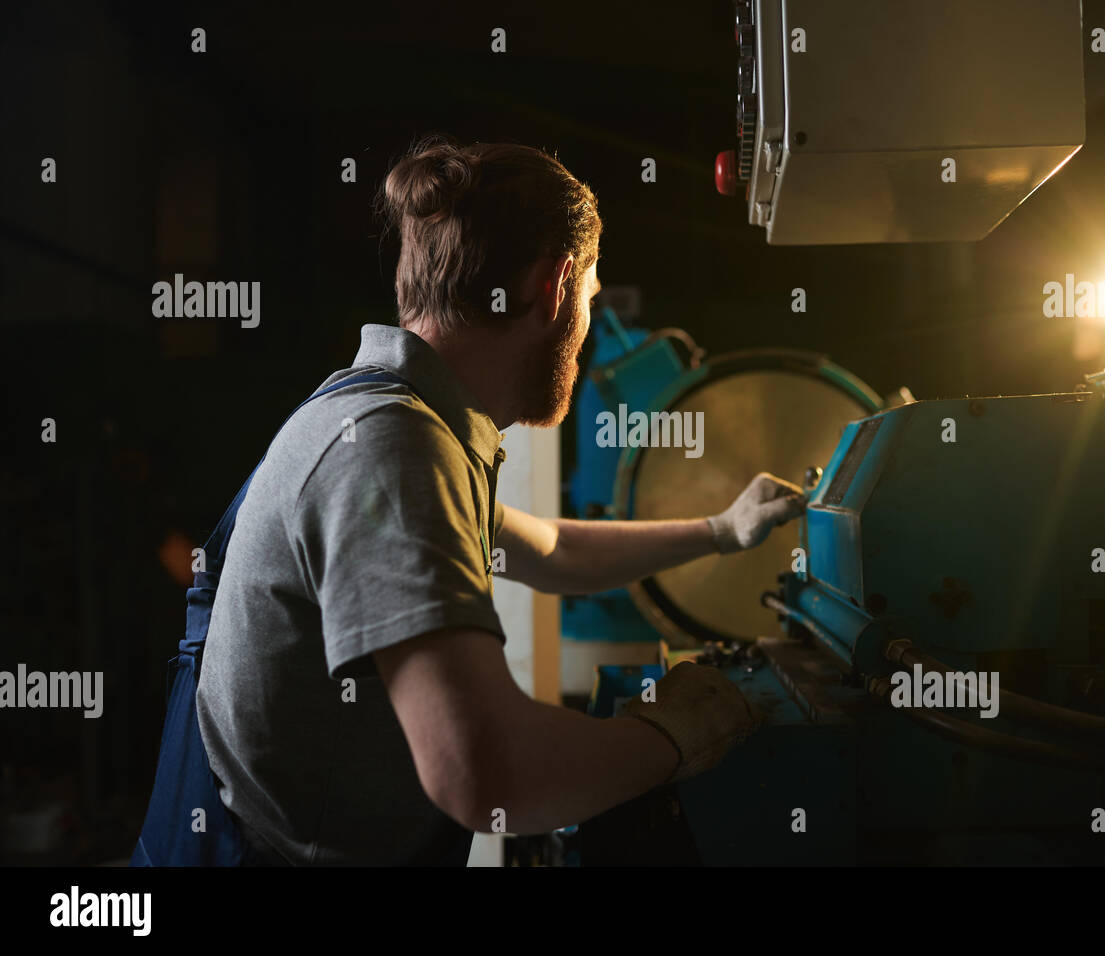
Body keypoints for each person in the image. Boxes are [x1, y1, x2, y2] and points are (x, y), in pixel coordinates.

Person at [195, 135, 805, 865]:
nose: (581, 336)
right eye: (588, 302)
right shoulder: (391, 450)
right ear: (554, 287)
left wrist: (720, 530)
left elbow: (551, 549)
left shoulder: (391, 419)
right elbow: (483, 773)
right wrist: (677, 732)